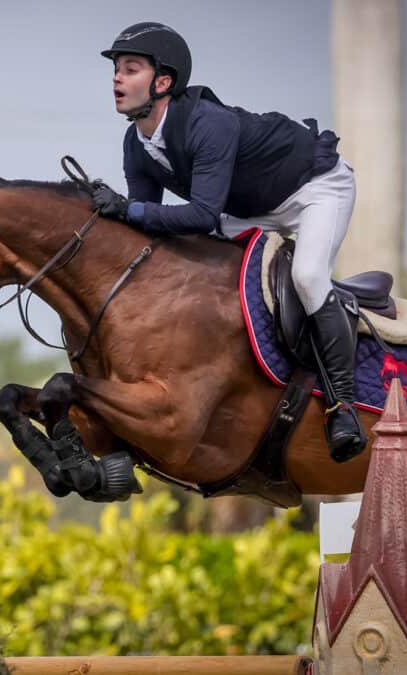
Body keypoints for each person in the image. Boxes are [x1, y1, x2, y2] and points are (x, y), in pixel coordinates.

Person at [92, 21, 365, 463]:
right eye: (116, 69)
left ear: (163, 82)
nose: (117, 79)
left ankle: (343, 406)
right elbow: (147, 223)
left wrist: (128, 210)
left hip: (314, 189)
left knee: (308, 276)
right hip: (248, 209)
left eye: (130, 68)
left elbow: (198, 215)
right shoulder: (136, 141)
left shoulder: (208, 124)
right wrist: (107, 216)